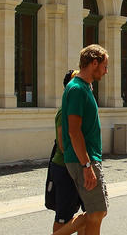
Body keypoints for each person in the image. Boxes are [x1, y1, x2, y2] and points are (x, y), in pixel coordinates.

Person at [60, 45, 110, 235]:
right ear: (94, 63)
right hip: (83, 160)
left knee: (97, 212)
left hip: (87, 158)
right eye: (104, 66)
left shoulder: (85, 87)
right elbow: (74, 131)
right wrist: (86, 165)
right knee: (97, 212)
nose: (106, 71)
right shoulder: (77, 89)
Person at [49, 70, 85, 235]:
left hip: (79, 168)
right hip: (65, 168)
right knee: (63, 217)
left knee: (90, 213)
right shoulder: (65, 110)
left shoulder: (76, 108)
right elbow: (64, 146)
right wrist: (84, 163)